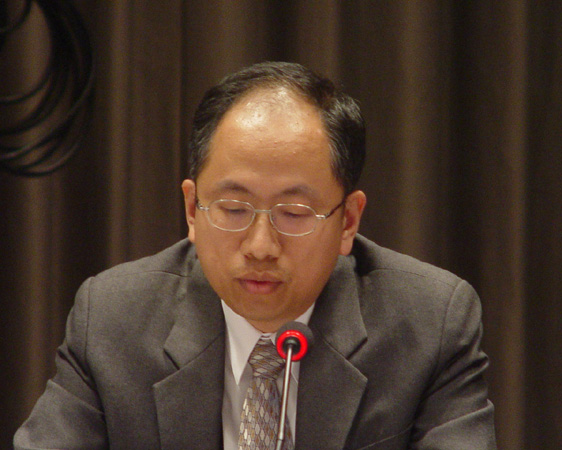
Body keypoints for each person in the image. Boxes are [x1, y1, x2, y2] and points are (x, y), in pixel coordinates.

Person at [14, 61, 496, 450]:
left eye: (294, 213)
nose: (261, 246)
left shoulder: (429, 324)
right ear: (192, 209)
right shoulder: (113, 319)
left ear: (348, 220)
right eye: (233, 208)